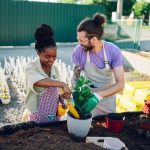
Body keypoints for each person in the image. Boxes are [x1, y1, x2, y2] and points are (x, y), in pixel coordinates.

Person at [71, 13, 125, 117]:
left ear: (94, 40)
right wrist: (77, 92)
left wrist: (98, 96)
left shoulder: (113, 51)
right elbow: (75, 76)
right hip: (86, 99)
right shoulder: (78, 52)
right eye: (78, 39)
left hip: (107, 100)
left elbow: (120, 84)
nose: (79, 43)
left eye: (82, 40)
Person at [23, 24, 71, 123]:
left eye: (54, 56)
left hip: (52, 110)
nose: (51, 60)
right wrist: (62, 84)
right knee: (38, 132)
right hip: (37, 112)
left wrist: (62, 99)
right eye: (47, 56)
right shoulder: (31, 67)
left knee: (51, 131)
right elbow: (38, 82)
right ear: (38, 53)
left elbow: (56, 90)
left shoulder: (55, 69)